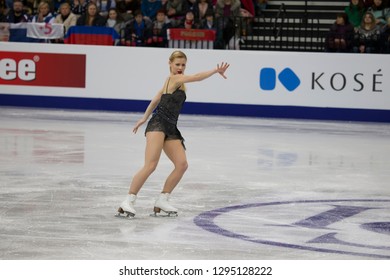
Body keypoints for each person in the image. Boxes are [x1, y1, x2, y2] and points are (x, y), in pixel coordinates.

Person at [117, 50, 230, 218]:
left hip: (171, 127)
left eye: (183, 65)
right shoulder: (174, 79)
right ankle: (128, 201)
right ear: (170, 64)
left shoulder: (174, 83)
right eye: (177, 64)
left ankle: (163, 199)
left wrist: (143, 117)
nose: (180, 67)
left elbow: (156, 99)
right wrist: (215, 71)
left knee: (182, 164)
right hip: (158, 125)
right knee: (151, 165)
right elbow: (197, 77)